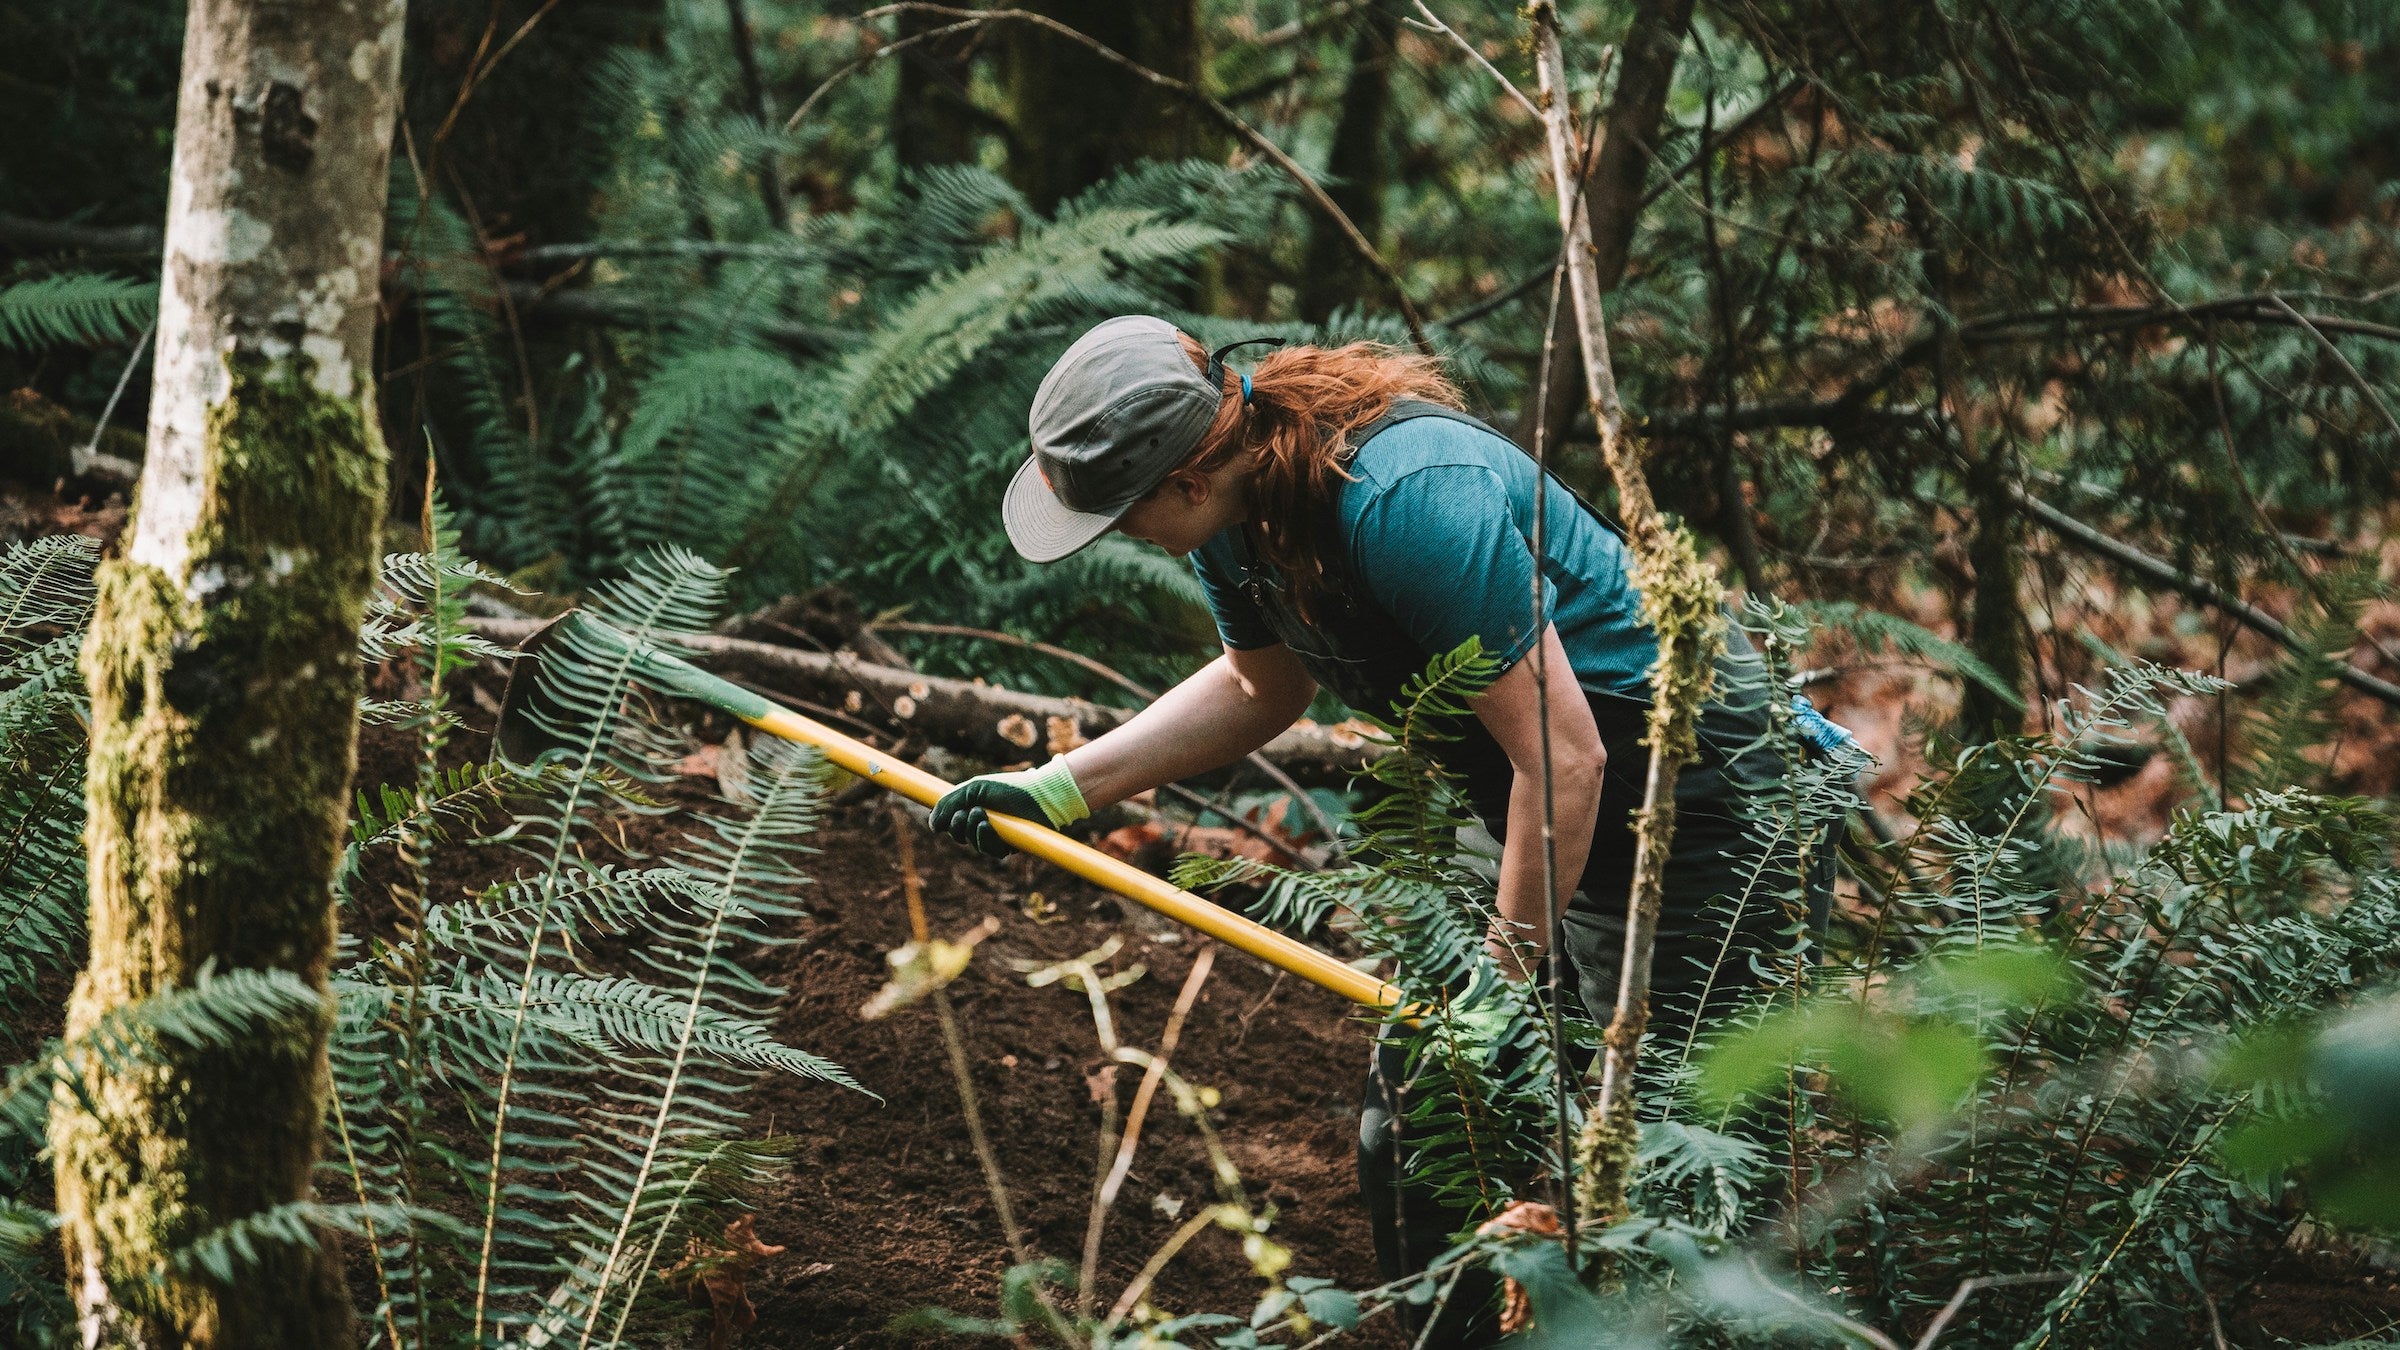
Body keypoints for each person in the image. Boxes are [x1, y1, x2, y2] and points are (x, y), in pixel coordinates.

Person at [931, 315, 1842, 1346]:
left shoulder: (1403, 497)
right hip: (1533, 792)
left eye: (1117, 515)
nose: (1117, 538)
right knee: (1424, 1123)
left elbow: (1572, 755)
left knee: (1680, 1148)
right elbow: (1256, 688)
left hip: (1715, 801)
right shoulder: (1236, 518)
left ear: (1183, 477)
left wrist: (1508, 972)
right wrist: (1061, 787)